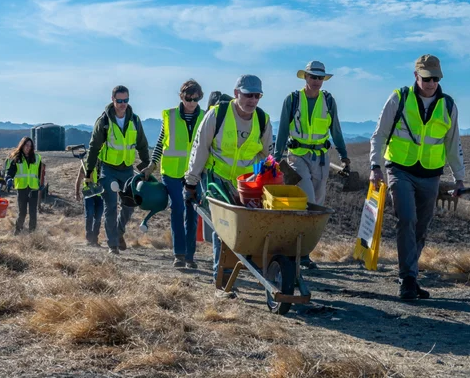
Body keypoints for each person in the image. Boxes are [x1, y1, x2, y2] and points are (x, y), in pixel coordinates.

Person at [369, 54, 465, 301]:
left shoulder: (448, 106)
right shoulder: (399, 98)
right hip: (399, 169)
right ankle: (407, 279)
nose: (431, 83)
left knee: (421, 228)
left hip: (430, 175)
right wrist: (375, 166)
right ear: (416, 76)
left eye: (435, 78)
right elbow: (379, 135)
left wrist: (459, 178)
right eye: (426, 78)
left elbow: (453, 144)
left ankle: (410, 275)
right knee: (407, 219)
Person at [184, 75, 273, 292]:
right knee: (223, 228)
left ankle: (238, 270)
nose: (252, 100)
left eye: (257, 96)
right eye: (248, 95)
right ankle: (222, 280)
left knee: (244, 228)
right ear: (236, 94)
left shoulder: (263, 120)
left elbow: (265, 154)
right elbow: (200, 148)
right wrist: (191, 181)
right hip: (216, 178)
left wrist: (256, 178)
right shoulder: (218, 114)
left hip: (245, 184)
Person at [274, 61, 350, 270]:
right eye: (313, 77)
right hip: (297, 156)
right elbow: (282, 129)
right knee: (306, 200)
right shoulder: (292, 99)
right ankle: (296, 252)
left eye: (320, 78)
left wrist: (344, 156)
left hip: (322, 158)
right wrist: (276, 156)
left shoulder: (328, 100)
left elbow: (336, 129)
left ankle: (303, 253)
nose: (316, 81)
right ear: (305, 77)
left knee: (316, 205)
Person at [143, 79, 205, 268]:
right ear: (181, 96)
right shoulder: (169, 116)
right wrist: (152, 164)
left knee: (192, 213)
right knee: (177, 210)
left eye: (196, 98)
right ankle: (179, 254)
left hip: (194, 173)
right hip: (171, 172)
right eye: (188, 98)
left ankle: (190, 256)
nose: (192, 102)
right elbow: (161, 142)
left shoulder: (205, 116)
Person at [83, 85, 150, 255]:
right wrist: (89, 171)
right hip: (108, 170)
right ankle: (113, 245)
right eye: (119, 101)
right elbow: (94, 147)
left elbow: (142, 144)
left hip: (127, 170)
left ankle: (119, 232)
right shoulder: (104, 121)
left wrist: (146, 166)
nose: (122, 104)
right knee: (111, 205)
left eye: (125, 100)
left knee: (129, 204)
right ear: (113, 99)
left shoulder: (135, 120)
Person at [6, 137, 43, 235]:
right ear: (22, 145)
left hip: (33, 189)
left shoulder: (37, 158)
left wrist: (41, 184)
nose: (28, 148)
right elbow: (10, 171)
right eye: (26, 145)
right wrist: (9, 178)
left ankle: (32, 235)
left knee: (33, 213)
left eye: (30, 146)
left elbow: (39, 174)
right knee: (22, 213)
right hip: (22, 188)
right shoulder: (16, 158)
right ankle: (17, 232)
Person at [75, 158, 104, 246]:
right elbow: (79, 179)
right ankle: (89, 238)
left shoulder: (103, 165)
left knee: (98, 217)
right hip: (88, 193)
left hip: (100, 194)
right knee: (90, 214)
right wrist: (77, 193)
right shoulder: (85, 165)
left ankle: (95, 239)